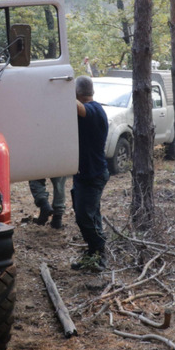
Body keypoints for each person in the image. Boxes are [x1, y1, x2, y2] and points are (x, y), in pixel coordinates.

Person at [71, 75, 109, 272]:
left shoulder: (94, 110)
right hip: (85, 173)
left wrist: (63, 90)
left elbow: (79, 108)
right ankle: (93, 255)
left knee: (84, 217)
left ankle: (100, 253)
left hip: (93, 175)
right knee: (91, 216)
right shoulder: (91, 109)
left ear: (77, 93)